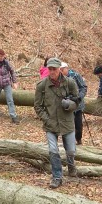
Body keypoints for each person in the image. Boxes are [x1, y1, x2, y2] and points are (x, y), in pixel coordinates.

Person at [33, 57, 80, 188]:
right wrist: (46, 118)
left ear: (59, 69)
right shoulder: (42, 85)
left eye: (54, 69)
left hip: (67, 122)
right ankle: (57, 177)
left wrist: (69, 105)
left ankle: (71, 166)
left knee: (70, 151)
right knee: (53, 150)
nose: (52, 71)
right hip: (50, 124)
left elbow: (77, 102)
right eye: (50, 69)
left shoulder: (70, 83)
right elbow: (37, 106)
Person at [62, 62, 87, 144]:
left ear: (67, 68)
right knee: (68, 125)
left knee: (78, 126)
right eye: (60, 70)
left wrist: (79, 96)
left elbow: (83, 87)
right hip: (67, 106)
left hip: (78, 105)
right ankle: (69, 143)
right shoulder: (59, 79)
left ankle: (79, 140)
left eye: (63, 69)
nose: (61, 71)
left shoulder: (75, 75)